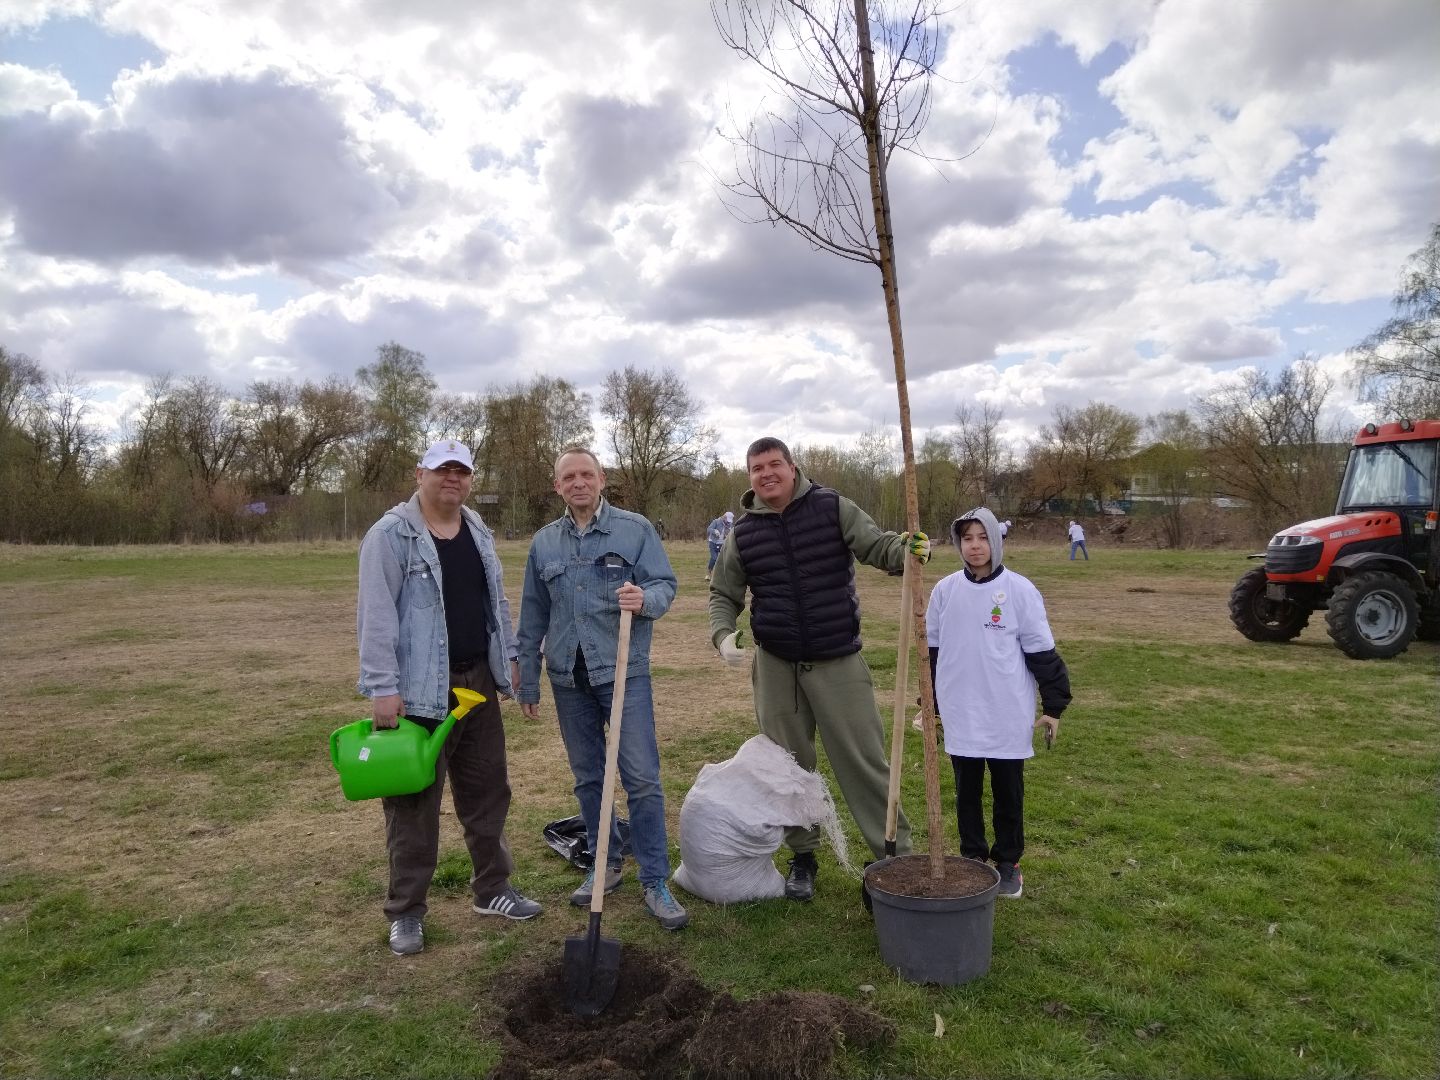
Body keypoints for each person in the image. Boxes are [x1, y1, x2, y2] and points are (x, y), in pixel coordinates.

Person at [708, 436, 931, 901]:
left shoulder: (831, 507)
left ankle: (892, 857)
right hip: (775, 664)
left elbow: (875, 546)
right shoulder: (743, 533)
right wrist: (723, 633)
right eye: (756, 469)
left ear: (793, 468)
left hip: (837, 659)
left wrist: (906, 550)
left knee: (863, 761)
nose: (766, 474)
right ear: (749, 478)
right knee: (787, 768)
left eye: (774, 465)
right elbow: (723, 593)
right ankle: (803, 856)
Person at [357, 439, 541, 957]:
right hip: (419, 692)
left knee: (488, 793)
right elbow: (377, 615)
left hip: (476, 683)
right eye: (442, 470)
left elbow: (493, 601)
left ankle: (494, 890)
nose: (452, 480)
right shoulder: (390, 536)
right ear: (421, 474)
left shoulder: (477, 527)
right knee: (413, 804)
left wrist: (507, 657)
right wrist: (383, 688)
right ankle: (406, 913)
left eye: (461, 472)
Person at [516, 446, 689, 930]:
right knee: (589, 777)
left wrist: (645, 597)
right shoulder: (544, 543)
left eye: (586, 474)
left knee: (641, 777)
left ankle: (654, 880)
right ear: (557, 486)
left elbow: (665, 585)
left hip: (623, 671)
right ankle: (604, 865)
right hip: (567, 678)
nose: (578, 483)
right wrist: (528, 680)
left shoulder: (635, 530)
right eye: (568, 476)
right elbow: (532, 615)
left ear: (601, 479)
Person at [927, 507, 1071, 899]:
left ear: (996, 539)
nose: (975, 547)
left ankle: (1009, 862)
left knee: (1008, 790)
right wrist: (931, 705)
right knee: (966, 790)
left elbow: (1042, 652)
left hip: (1006, 708)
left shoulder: (1020, 591)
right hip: (961, 710)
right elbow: (934, 654)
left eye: (983, 537)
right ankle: (973, 856)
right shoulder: (945, 590)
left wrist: (1054, 706)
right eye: (967, 539)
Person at [704, 510, 735, 580]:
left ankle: (722, 575)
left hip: (723, 543)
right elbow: (709, 529)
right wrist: (715, 531)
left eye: (729, 521)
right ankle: (708, 573)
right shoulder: (716, 521)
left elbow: (732, 531)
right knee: (714, 558)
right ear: (724, 517)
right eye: (727, 520)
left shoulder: (729, 524)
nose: (728, 522)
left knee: (724, 559)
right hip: (713, 543)